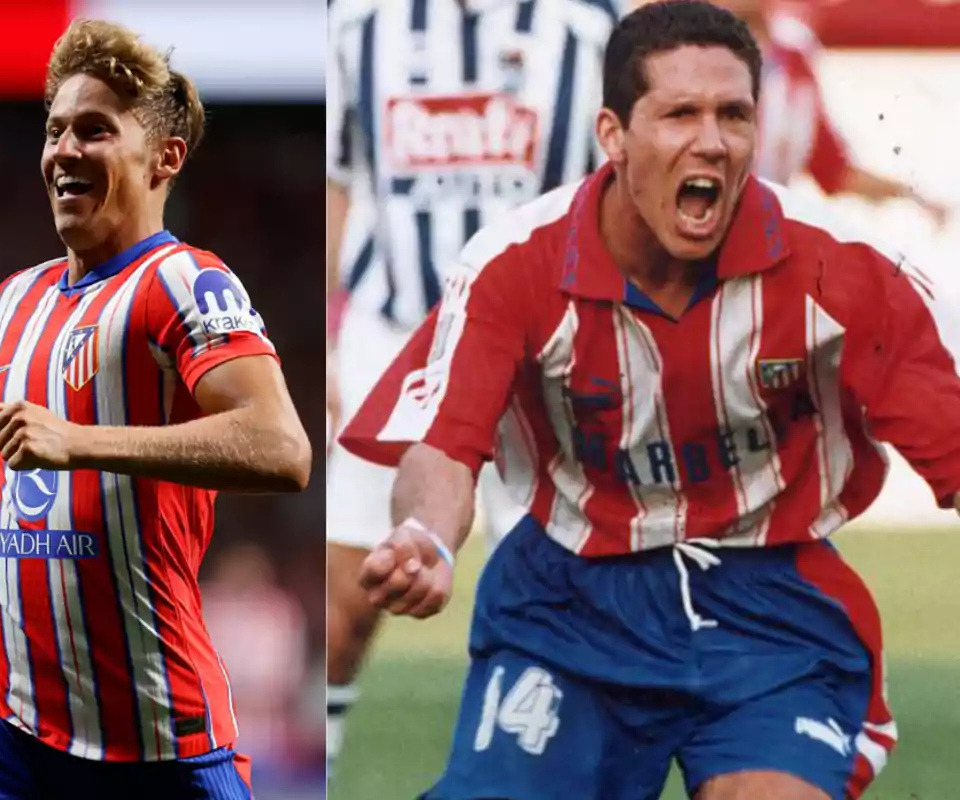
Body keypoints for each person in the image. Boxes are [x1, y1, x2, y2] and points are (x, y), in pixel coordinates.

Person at [339, 2, 960, 798]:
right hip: (568, 607)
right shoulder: (513, 263)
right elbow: (446, 444)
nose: (711, 141)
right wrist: (425, 533)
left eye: (734, 115)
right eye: (680, 114)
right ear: (613, 134)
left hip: (767, 610)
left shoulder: (844, 269)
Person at [0, 18, 312, 800]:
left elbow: (281, 448)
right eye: (54, 131)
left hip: (158, 737)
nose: (63, 151)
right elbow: (27, 477)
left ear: (164, 158)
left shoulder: (187, 282)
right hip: (3, 721)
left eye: (94, 130)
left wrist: (80, 441)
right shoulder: (13, 300)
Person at [325, 0, 619, 774]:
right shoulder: (359, 23)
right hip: (391, 341)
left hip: (547, 353)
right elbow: (337, 182)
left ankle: (551, 776)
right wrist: (318, 335)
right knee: (340, 608)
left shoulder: (594, 22)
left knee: (556, 607)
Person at [710, 0, 949, 224]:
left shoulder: (792, 63)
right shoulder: (681, 49)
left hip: (755, 235)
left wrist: (910, 194)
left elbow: (834, 171)